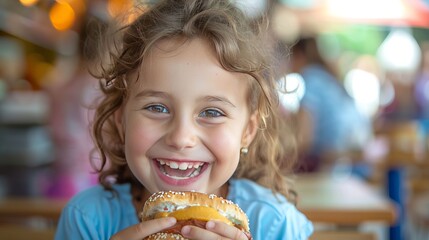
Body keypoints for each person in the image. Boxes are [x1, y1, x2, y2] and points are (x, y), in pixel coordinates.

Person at [55, 1, 313, 239]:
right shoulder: (88, 220)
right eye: (157, 107)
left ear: (248, 130)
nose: (180, 137)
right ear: (122, 121)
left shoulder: (275, 224)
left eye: (211, 112)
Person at [290, 36, 371, 172]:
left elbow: (304, 138)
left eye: (290, 58)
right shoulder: (327, 76)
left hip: (332, 161)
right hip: (351, 157)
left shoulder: (311, 77)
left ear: (299, 56)